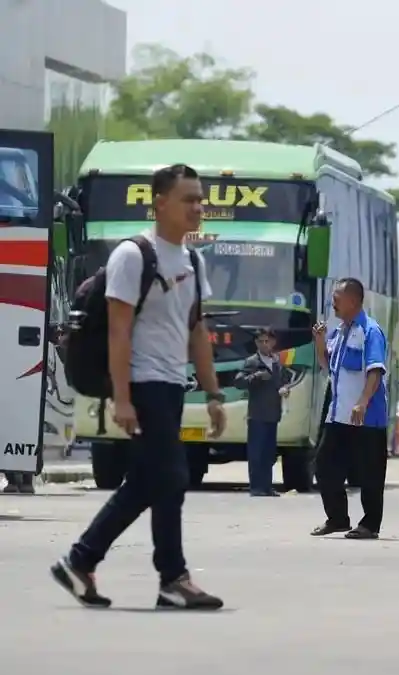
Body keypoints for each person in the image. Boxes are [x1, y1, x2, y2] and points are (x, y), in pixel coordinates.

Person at [50, 163, 226, 610]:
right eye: (188, 199)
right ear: (160, 203)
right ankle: (170, 576)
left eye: (200, 199)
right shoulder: (133, 255)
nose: (197, 207)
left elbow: (196, 330)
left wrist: (213, 393)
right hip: (142, 382)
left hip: (170, 385)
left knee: (156, 480)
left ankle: (86, 560)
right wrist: (122, 397)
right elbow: (118, 332)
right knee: (169, 476)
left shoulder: (192, 259)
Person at [310, 278, 391, 540]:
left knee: (369, 473)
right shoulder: (340, 331)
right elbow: (326, 364)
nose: (332, 303)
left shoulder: (370, 331)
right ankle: (337, 518)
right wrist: (320, 341)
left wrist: (363, 401)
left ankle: (369, 524)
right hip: (338, 416)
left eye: (337, 298)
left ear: (354, 301)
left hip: (366, 417)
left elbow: (375, 370)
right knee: (323, 465)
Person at [235, 327, 289, 497]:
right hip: (257, 414)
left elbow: (283, 381)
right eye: (261, 341)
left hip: (273, 414)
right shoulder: (251, 362)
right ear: (256, 343)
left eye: (267, 341)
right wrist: (255, 377)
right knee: (256, 453)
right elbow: (238, 382)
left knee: (269, 453)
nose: (265, 344)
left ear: (273, 342)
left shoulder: (276, 361)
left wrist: (284, 388)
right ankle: (256, 487)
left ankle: (267, 486)